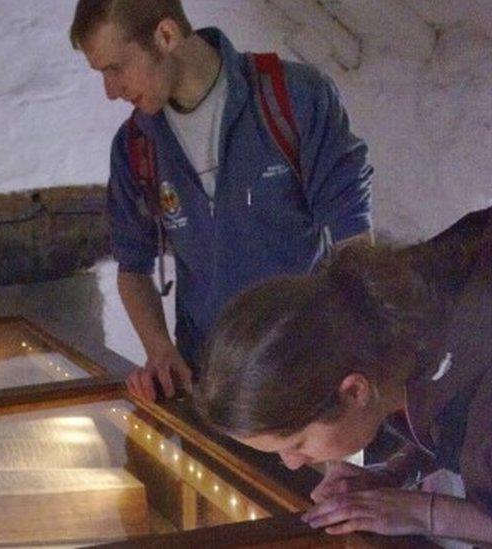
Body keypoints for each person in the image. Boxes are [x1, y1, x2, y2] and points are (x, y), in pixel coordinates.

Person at [69, 0, 373, 400]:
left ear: (166, 35)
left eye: (115, 68)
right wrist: (160, 349)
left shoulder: (293, 98)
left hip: (307, 373)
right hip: (209, 381)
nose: (110, 91)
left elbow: (352, 238)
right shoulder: (134, 146)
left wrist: (356, 351)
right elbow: (133, 266)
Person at [193, 206, 492, 544]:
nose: (292, 464)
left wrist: (424, 513)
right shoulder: (390, 327)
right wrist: (397, 473)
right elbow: (448, 417)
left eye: (297, 444)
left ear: (354, 392)